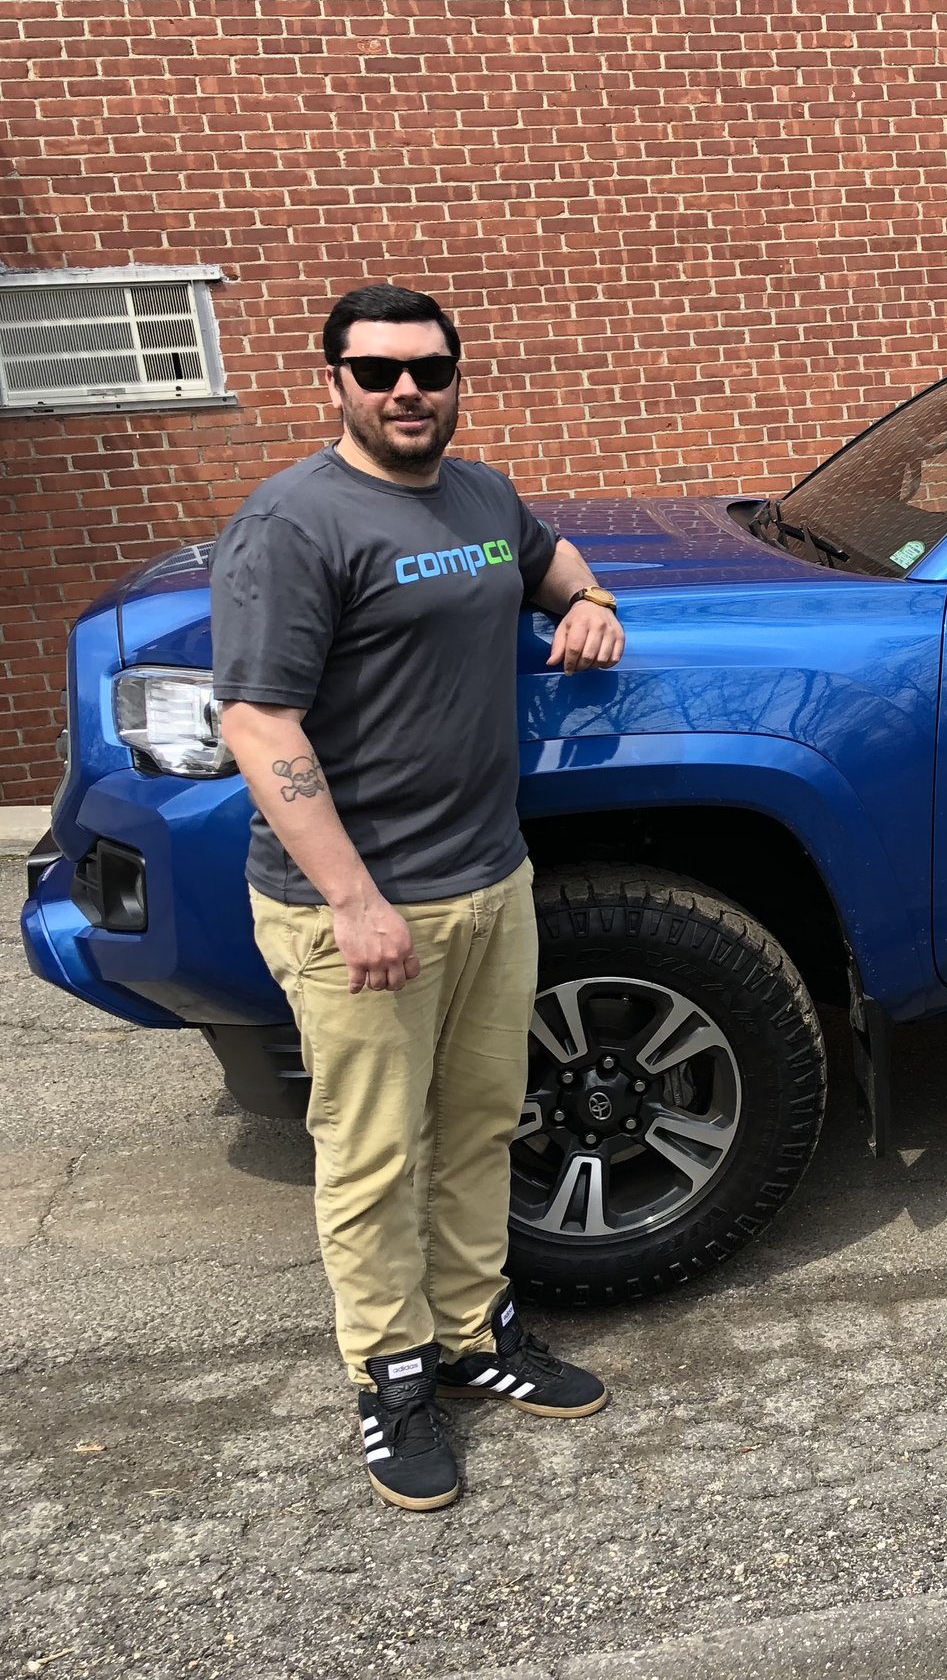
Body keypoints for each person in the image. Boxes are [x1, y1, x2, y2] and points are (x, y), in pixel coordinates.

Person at [211, 283, 626, 1511]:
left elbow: (549, 560)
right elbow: (256, 716)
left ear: (455, 378)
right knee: (374, 1154)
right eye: (378, 370)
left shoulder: (481, 494)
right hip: (362, 908)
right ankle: (390, 1381)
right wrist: (352, 899)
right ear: (330, 379)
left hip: (490, 881)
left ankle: (471, 1335)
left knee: (481, 1123)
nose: (407, 392)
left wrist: (589, 605)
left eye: (429, 371)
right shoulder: (293, 523)